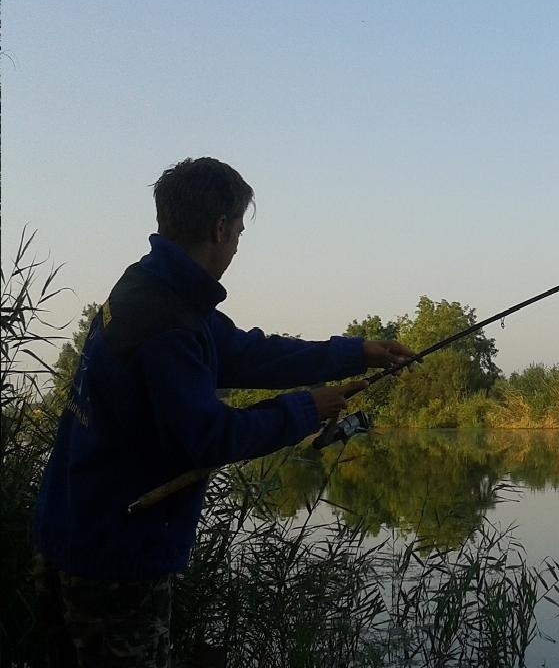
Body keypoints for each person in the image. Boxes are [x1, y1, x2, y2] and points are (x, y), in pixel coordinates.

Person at [32, 157, 414, 666]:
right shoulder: (168, 321)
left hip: (70, 528)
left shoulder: (150, 288)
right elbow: (209, 437)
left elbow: (249, 354)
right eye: (237, 231)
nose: (236, 244)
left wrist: (354, 351)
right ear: (218, 228)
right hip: (113, 555)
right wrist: (304, 409)